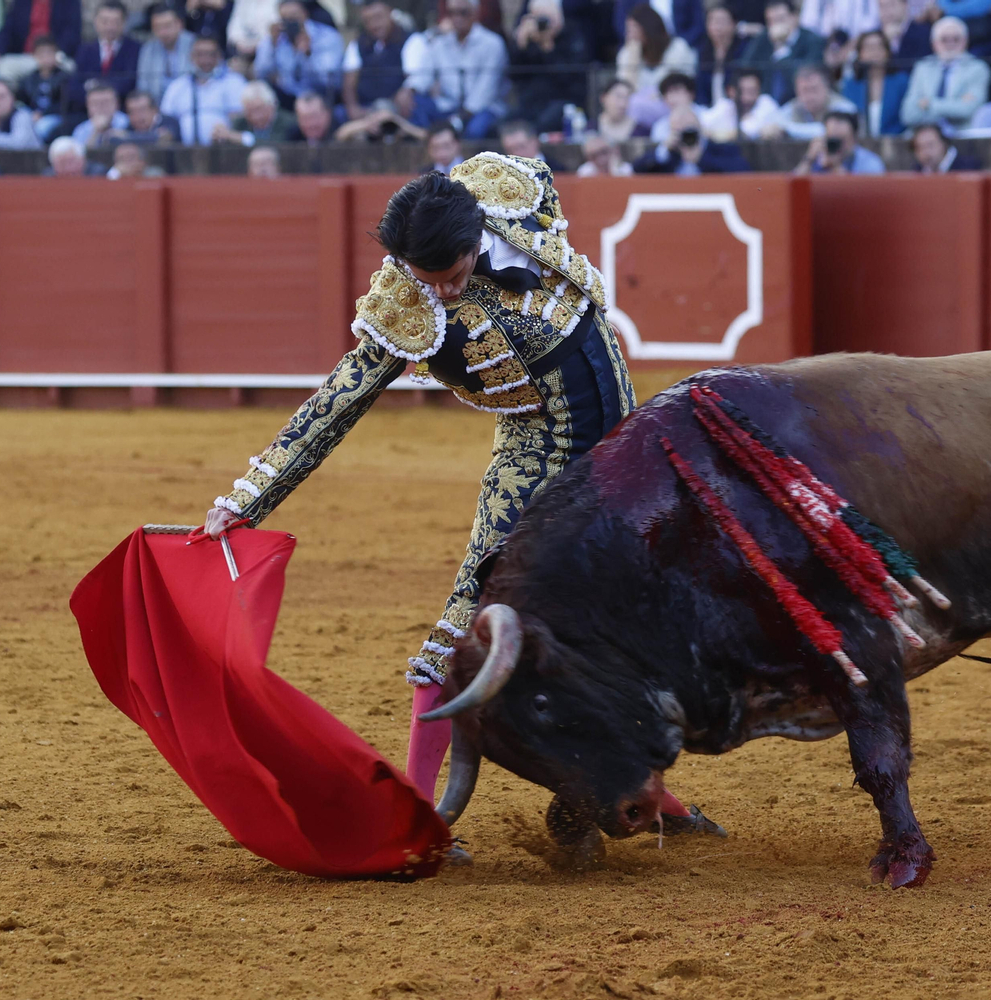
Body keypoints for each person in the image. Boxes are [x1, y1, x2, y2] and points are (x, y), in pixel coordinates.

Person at [200, 155, 723, 855]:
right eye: (427, 279)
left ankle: (654, 797)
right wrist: (246, 500)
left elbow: (538, 169)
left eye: (451, 275)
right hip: (536, 455)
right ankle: (420, 819)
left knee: (635, 624)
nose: (441, 293)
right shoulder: (404, 304)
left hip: (625, 447)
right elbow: (334, 405)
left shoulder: (510, 195)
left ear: (477, 235)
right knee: (460, 630)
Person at [409, 0, 506, 138]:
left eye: (463, 12)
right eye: (451, 13)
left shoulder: (492, 43)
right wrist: (410, 89)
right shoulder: (440, 42)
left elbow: (485, 91)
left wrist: (458, 119)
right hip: (449, 106)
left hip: (482, 109)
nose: (457, 18)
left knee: (474, 131)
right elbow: (424, 76)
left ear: (475, 13)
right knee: (417, 105)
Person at [508, 0, 589, 133]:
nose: (543, 23)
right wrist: (519, 45)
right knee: (505, 124)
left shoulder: (573, 35)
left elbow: (568, 79)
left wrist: (548, 48)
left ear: (558, 16)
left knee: (539, 125)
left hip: (564, 101)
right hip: (532, 101)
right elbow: (515, 76)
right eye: (538, 17)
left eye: (547, 17)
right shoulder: (532, 37)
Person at [899, 17, 989, 128]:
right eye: (944, 39)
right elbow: (908, 114)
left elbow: (969, 110)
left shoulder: (977, 68)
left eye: (956, 39)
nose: (950, 44)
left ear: (965, 41)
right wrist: (956, 104)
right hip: (926, 134)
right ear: (934, 43)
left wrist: (928, 104)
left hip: (963, 137)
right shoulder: (923, 67)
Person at [618, 1, 697, 126]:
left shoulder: (677, 48)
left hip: (673, 109)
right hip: (638, 118)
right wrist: (633, 56)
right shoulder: (627, 53)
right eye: (628, 29)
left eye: (633, 29)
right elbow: (626, 89)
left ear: (647, 28)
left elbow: (679, 85)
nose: (629, 35)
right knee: (632, 104)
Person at [160, 34, 245, 143]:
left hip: (226, 149)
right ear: (191, 57)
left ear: (219, 56)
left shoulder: (234, 82)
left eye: (211, 54)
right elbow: (166, 119)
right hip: (183, 151)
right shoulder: (177, 86)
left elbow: (243, 118)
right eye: (200, 55)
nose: (206, 60)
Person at [254, 0, 342, 105]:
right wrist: (272, 45)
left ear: (305, 13)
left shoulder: (327, 36)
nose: (290, 22)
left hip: (319, 99)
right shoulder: (278, 38)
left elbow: (329, 81)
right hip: (286, 99)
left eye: (294, 17)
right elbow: (260, 73)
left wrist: (308, 55)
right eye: (285, 18)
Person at [740, 0, 825, 103]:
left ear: (794, 17)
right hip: (765, 102)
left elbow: (804, 77)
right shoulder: (763, 39)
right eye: (771, 21)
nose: (775, 25)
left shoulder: (812, 41)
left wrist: (782, 51)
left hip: (799, 102)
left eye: (781, 19)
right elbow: (745, 66)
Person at [633, 104, 751, 172]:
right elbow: (636, 169)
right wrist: (664, 150)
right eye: (679, 132)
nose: (686, 137)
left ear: (699, 128)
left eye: (689, 131)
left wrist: (701, 158)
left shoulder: (719, 149)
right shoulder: (668, 154)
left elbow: (744, 169)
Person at [341, 0, 406, 121]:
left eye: (378, 17)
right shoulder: (357, 44)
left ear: (390, 13)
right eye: (368, 20)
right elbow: (349, 82)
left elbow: (414, 80)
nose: (374, 25)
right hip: (366, 108)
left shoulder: (409, 39)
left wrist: (407, 92)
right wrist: (352, 107)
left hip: (399, 108)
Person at [840, 29, 908, 136]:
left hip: (896, 142)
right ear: (859, 54)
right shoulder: (850, 85)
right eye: (869, 48)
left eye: (879, 47)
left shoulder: (901, 81)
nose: (874, 52)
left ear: (887, 51)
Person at [764, 61, 854, 137]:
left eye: (814, 89)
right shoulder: (795, 105)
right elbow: (773, 124)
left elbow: (826, 131)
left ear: (826, 88)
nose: (810, 96)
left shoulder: (843, 107)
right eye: (804, 91)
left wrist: (787, 130)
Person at [0, 0, 80, 78]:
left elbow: (72, 32)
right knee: (5, 66)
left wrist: (57, 55)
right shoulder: (21, 2)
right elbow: (8, 29)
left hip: (58, 57)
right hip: (28, 58)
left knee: (71, 68)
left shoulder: (68, 2)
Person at [75, 1, 142, 100]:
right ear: (95, 21)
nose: (110, 27)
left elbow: (130, 83)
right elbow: (75, 84)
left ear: (124, 23)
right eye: (104, 21)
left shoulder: (136, 49)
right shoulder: (85, 50)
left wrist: (95, 85)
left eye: (116, 22)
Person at [16, 33, 72, 141]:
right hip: (32, 116)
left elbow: (64, 104)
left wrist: (43, 114)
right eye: (41, 54)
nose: (46, 57)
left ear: (56, 54)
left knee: (41, 128)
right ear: (34, 56)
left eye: (49, 53)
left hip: (55, 116)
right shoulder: (28, 79)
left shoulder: (65, 78)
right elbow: (21, 100)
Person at [794, 108, 883, 172]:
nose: (836, 145)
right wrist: (809, 158)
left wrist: (836, 166)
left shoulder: (870, 163)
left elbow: (859, 195)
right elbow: (791, 188)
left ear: (855, 137)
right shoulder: (818, 158)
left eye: (841, 139)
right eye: (831, 139)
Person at [137, 3, 195, 102]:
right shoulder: (148, 49)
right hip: (157, 105)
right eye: (157, 27)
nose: (163, 32)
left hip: (188, 102)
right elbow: (142, 86)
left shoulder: (194, 44)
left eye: (167, 26)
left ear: (179, 24)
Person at [704, 65, 778, 138]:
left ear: (759, 90)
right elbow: (701, 125)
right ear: (732, 91)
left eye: (751, 92)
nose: (746, 98)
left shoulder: (766, 103)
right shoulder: (725, 105)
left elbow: (749, 132)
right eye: (741, 91)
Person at [212, 76, 288, 142]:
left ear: (272, 106)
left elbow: (274, 145)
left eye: (259, 109)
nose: (256, 116)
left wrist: (243, 139)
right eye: (250, 112)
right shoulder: (240, 123)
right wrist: (220, 136)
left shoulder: (288, 123)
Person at [695, 3, 742, 106]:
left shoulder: (743, 50)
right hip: (709, 110)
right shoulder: (703, 52)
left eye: (722, 21)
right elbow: (700, 88)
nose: (717, 26)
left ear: (734, 24)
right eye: (712, 21)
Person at [612, 0, 704, 46]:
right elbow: (621, 23)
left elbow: (698, 24)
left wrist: (681, 43)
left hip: (680, 46)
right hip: (642, 47)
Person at [111, 88, 178, 143]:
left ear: (154, 110)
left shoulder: (169, 122)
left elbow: (165, 137)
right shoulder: (129, 127)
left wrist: (126, 137)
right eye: (132, 112)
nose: (137, 116)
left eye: (142, 110)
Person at [910, 121, 981, 171]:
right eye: (919, 148)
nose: (925, 153)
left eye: (930, 145)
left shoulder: (968, 168)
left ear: (944, 143)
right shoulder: (917, 171)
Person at [878, 0, 930, 67]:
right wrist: (885, 42)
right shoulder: (877, 36)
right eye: (881, 6)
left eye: (891, 4)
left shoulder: (924, 33)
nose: (886, 10)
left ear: (905, 5)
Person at [799, 0, 878, 41]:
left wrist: (849, 47)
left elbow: (872, 24)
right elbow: (807, 24)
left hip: (857, 45)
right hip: (823, 47)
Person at [593, 77, 639, 141]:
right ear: (603, 98)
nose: (623, 104)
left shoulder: (640, 131)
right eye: (618, 96)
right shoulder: (592, 127)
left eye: (627, 98)